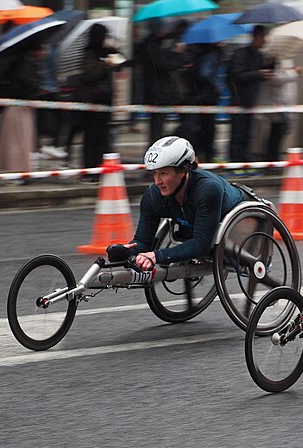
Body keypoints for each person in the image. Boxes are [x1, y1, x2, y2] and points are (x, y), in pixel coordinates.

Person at [108, 136, 245, 271]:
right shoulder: (152, 196)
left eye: (163, 173)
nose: (157, 181)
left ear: (183, 170)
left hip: (241, 221)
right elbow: (143, 242)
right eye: (154, 173)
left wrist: (157, 256)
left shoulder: (207, 190)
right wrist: (125, 251)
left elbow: (201, 245)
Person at [77, 23, 124, 183]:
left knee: (103, 138)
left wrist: (114, 55)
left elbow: (121, 64)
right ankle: (90, 171)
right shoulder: (89, 52)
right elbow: (90, 73)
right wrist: (105, 65)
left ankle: (102, 168)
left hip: (105, 103)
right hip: (92, 103)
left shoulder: (105, 51)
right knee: (91, 138)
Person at [0, 37, 46, 178]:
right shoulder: (25, 63)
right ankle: (17, 170)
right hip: (20, 106)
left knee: (16, 139)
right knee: (19, 140)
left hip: (15, 105)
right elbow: (28, 83)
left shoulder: (17, 60)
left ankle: (16, 169)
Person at [227, 25, 274, 172]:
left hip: (251, 101)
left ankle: (247, 163)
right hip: (239, 100)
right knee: (238, 134)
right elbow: (237, 75)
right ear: (257, 37)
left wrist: (270, 66)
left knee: (248, 134)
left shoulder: (259, 56)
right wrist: (258, 74)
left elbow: (258, 74)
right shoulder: (241, 54)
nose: (265, 41)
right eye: (264, 37)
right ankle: (235, 164)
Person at [134, 19, 186, 144]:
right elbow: (165, 65)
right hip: (158, 92)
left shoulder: (151, 44)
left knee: (157, 125)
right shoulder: (153, 47)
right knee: (157, 127)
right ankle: (156, 153)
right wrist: (177, 54)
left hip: (154, 91)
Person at [256, 57, 302, 162]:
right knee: (277, 133)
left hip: (280, 105)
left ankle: (272, 159)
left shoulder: (277, 62)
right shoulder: (269, 63)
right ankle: (271, 159)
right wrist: (295, 73)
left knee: (277, 132)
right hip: (274, 106)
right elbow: (276, 79)